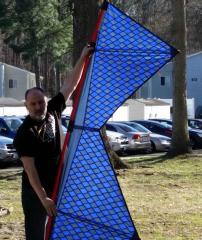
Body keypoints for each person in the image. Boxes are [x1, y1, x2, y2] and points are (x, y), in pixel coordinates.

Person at [13, 45, 93, 240]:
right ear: (26, 105)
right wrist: (44, 199)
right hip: (35, 193)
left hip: (59, 183)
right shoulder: (24, 133)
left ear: (46, 101)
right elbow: (31, 172)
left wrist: (83, 56)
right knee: (37, 234)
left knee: (60, 230)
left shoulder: (53, 110)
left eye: (41, 102)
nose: (38, 106)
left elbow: (70, 85)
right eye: (33, 104)